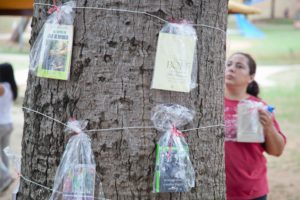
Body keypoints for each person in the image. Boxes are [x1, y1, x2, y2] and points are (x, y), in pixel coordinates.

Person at [224, 53, 286, 200]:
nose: (232, 69)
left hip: (250, 191)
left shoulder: (258, 107)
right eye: (229, 64)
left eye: (239, 66)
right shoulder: (208, 104)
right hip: (213, 187)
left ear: (251, 77)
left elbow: (277, 151)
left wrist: (269, 127)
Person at [0, 63, 18, 192]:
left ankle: (5, 176)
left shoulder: (2, 88)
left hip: (1, 124)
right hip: (8, 124)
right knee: (4, 153)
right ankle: (3, 180)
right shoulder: (12, 87)